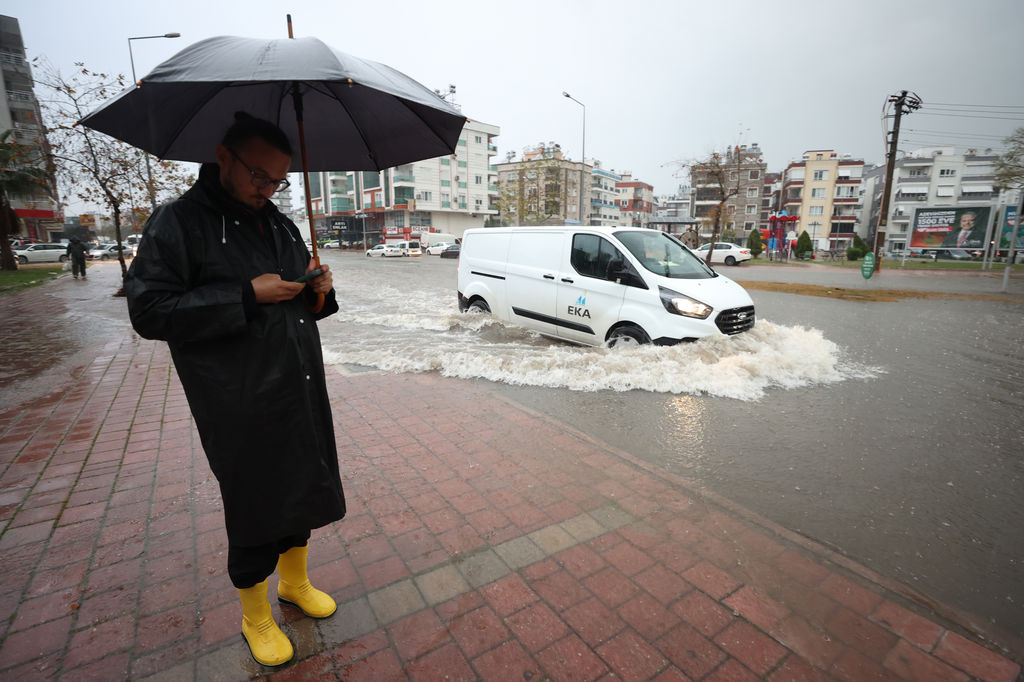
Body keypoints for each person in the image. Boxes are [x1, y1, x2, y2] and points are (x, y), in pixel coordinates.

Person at [125, 112, 345, 668]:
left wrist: (317, 290)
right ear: (223, 157)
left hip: (298, 383)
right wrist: (245, 295)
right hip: (237, 397)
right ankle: (256, 615)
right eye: (257, 175)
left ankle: (294, 584)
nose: (266, 189)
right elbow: (149, 311)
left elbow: (297, 303)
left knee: (303, 486)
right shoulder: (178, 223)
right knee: (253, 503)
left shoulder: (281, 223)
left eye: (277, 180)